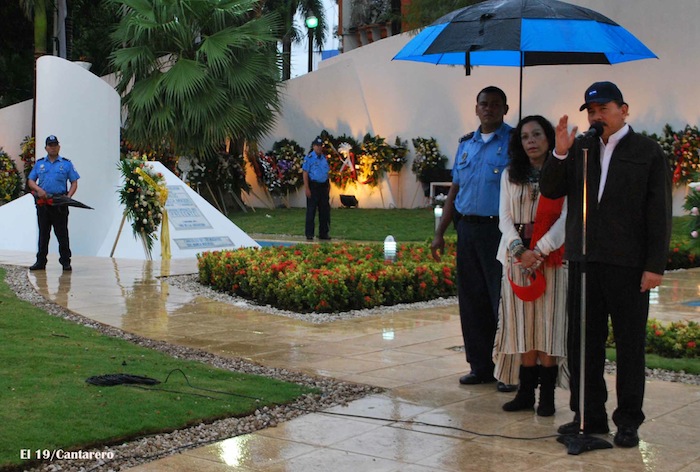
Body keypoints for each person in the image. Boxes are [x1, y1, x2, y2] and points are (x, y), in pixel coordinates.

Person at [539, 82, 672, 447]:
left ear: (623, 110)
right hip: (584, 262)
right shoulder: (580, 149)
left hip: (628, 265)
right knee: (583, 343)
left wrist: (654, 266)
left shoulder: (647, 152)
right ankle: (588, 415)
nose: (597, 117)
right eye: (591, 111)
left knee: (629, 345)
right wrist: (560, 153)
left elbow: (659, 212)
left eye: (604, 109)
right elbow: (550, 190)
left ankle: (628, 421)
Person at [431, 86, 516, 393]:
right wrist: (440, 232)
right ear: (476, 108)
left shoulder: (514, 142)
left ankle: (508, 370)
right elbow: (455, 189)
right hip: (467, 229)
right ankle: (480, 367)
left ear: (505, 109)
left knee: (501, 302)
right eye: (484, 104)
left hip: (499, 232)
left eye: (495, 104)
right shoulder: (466, 144)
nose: (488, 108)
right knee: (472, 301)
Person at [493, 115, 568, 417]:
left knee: (548, 325)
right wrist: (520, 250)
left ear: (549, 138)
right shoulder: (510, 173)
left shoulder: (561, 173)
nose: (531, 141)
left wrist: (540, 251)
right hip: (517, 258)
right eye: (525, 137)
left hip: (551, 256)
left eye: (537, 134)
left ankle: (547, 397)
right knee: (522, 326)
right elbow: (504, 218)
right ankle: (525, 393)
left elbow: (567, 217)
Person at [27, 135, 81, 271]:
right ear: (46, 148)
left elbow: (74, 182)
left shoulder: (66, 164)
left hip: (59, 203)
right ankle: (40, 261)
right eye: (50, 145)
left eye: (55, 145)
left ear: (59, 147)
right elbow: (31, 181)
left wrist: (68, 197)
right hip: (44, 203)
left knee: (62, 234)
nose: (53, 148)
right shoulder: (40, 164)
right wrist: (38, 189)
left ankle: (65, 261)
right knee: (43, 233)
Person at [302, 136, 331, 241]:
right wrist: (307, 188)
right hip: (313, 187)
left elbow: (326, 172)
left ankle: (324, 233)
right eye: (317, 146)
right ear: (313, 146)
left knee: (324, 211)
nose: (319, 148)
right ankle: (309, 234)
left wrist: (329, 185)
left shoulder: (324, 158)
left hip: (323, 187)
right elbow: (305, 173)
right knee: (311, 211)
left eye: (320, 146)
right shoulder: (309, 158)